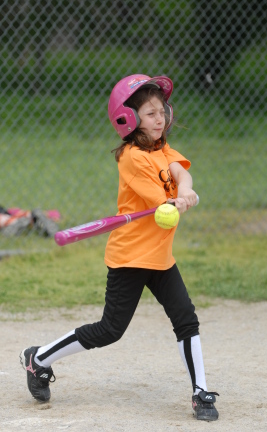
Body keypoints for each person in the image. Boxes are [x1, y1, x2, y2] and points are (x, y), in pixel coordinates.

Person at [20, 74, 219, 421]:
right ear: (128, 119)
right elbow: (162, 204)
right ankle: (38, 359)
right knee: (110, 330)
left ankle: (201, 392)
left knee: (186, 320)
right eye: (151, 113)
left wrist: (186, 189)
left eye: (162, 111)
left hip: (160, 258)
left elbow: (179, 172)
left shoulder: (162, 149)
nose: (161, 118)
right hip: (130, 257)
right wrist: (175, 201)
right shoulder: (131, 157)